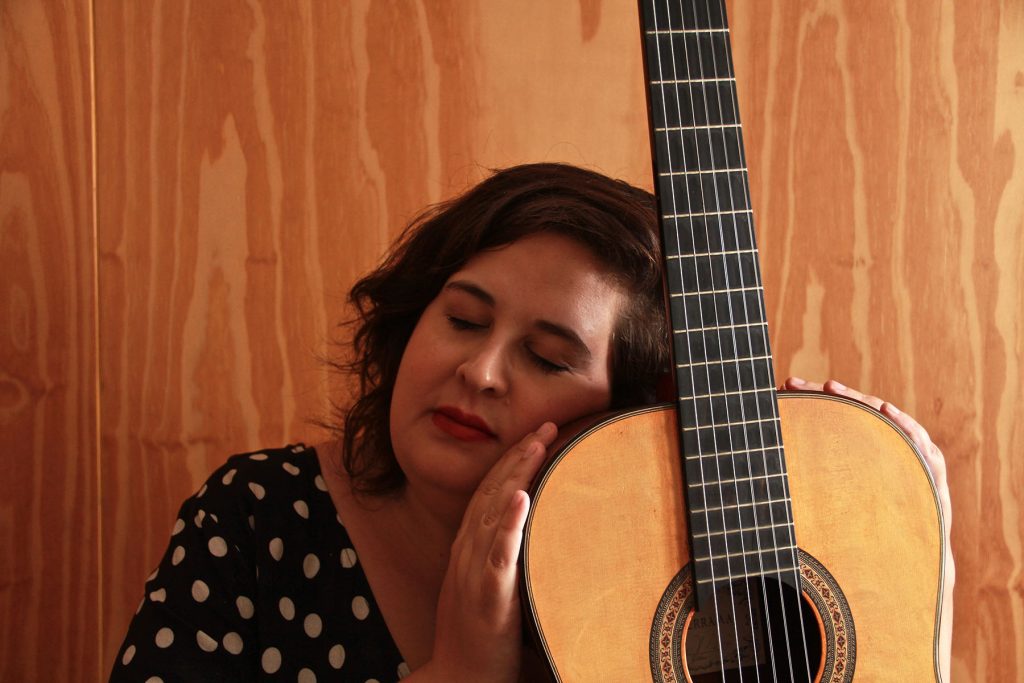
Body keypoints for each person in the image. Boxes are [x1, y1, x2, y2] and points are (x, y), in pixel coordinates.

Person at [109, 163, 952, 682]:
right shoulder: (258, 516)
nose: (479, 371)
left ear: (630, 417)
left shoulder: (673, 594)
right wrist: (457, 673)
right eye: (462, 319)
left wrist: (918, 573)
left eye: (548, 358)